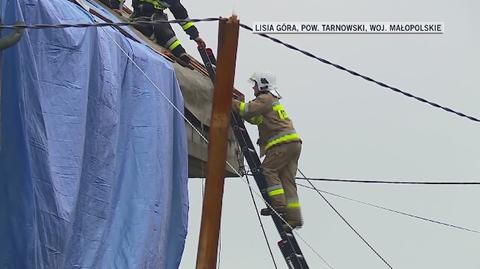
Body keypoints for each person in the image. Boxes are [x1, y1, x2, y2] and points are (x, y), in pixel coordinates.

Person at [232, 72, 303, 230]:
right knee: (287, 180)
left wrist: (228, 101)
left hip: (281, 144)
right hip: (293, 143)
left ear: (262, 84)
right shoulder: (272, 100)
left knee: (268, 170)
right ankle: (294, 218)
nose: (254, 88)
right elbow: (255, 118)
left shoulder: (265, 98)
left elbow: (248, 110)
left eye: (255, 85)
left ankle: (278, 206)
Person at [126, 0, 206, 66]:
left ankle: (181, 53)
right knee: (147, 27)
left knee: (167, 33)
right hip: (140, 17)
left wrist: (195, 36)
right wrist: (115, 6)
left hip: (158, 17)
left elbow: (182, 17)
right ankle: (165, 43)